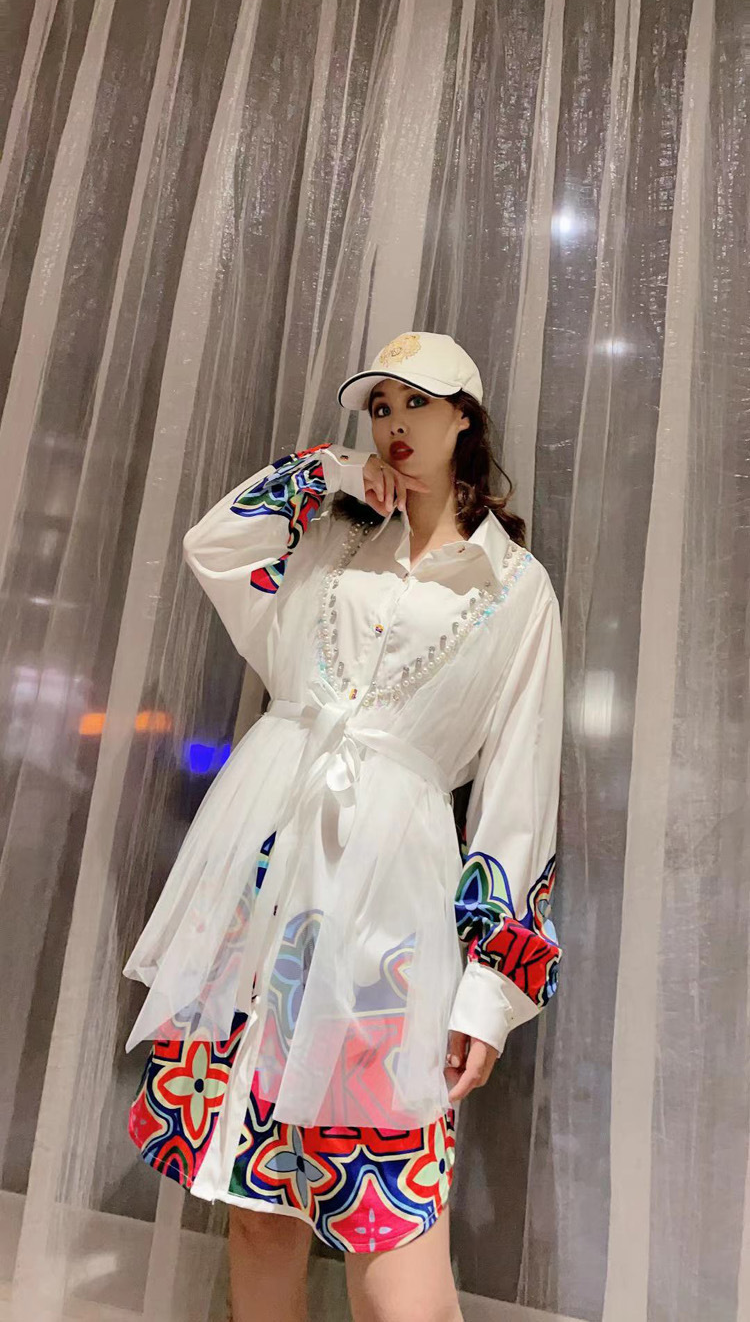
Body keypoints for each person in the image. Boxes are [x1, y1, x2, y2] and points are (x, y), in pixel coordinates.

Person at [123, 331, 564, 1322]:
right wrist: (323, 472)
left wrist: (490, 992)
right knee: (255, 1207)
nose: (395, 424)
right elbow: (214, 544)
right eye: (380, 407)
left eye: (418, 403)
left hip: (386, 920)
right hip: (262, 894)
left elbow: (519, 798)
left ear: (465, 418)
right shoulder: (328, 538)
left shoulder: (516, 588)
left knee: (392, 1236)